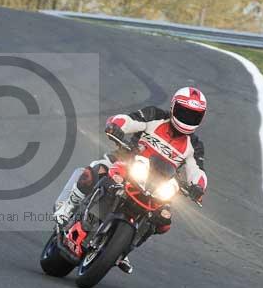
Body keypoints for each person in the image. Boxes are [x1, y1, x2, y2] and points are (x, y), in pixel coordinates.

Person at [53, 87, 208, 274]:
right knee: (95, 171)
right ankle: (68, 207)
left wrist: (198, 186)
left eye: (193, 116)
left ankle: (124, 249)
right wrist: (117, 126)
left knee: (164, 219)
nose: (187, 119)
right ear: (174, 107)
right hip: (127, 163)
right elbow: (129, 120)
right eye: (184, 112)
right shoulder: (154, 115)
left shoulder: (195, 145)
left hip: (158, 184)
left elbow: (197, 170)